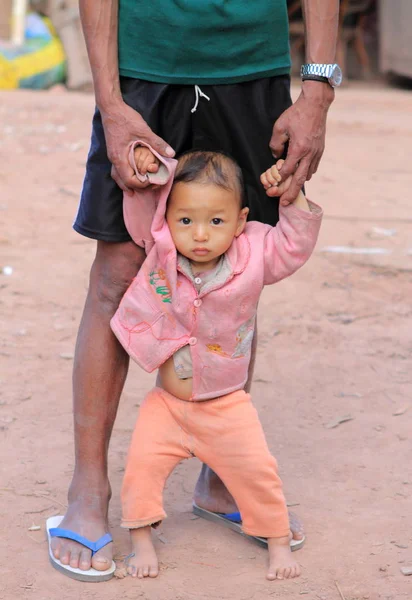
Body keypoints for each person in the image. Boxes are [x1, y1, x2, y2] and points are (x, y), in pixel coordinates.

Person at [49, 0, 339, 580]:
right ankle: (88, 489)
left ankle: (219, 474)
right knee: (115, 274)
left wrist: (317, 90)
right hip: (145, 69)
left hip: (250, 68)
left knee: (238, 269)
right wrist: (110, 102)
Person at [111, 144, 322, 580]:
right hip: (167, 404)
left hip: (226, 405)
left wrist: (292, 194)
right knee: (141, 470)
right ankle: (142, 542)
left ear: (241, 221)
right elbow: (138, 213)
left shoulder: (255, 253)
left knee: (258, 472)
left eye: (217, 221)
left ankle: (278, 542)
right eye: (185, 220)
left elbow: (294, 245)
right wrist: (146, 172)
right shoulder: (163, 248)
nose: (200, 235)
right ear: (168, 219)